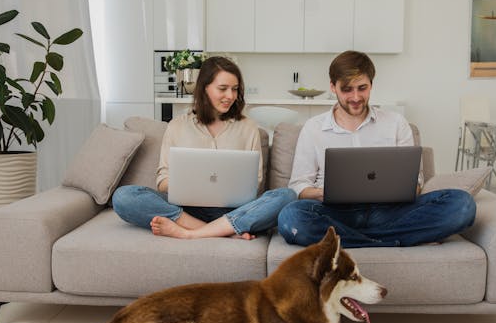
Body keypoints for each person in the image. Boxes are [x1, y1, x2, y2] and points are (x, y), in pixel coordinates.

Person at [278, 50, 476, 248]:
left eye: (362, 88)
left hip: (390, 212)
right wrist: (323, 193)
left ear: (371, 85)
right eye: (347, 89)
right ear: (333, 87)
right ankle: (391, 239)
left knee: (462, 204)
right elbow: (298, 185)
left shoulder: (396, 123)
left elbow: (416, 183)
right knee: (291, 217)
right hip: (336, 213)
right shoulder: (313, 127)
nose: (356, 97)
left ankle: (352, 240)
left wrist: (400, 190)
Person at [113, 56, 296, 240]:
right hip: (186, 210)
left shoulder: (248, 128)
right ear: (204, 88)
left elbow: (254, 185)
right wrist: (190, 184)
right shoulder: (177, 126)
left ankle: (189, 233)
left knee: (286, 196)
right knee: (123, 196)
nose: (231, 96)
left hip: (234, 210)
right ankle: (223, 231)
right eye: (223, 89)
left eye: (235, 89)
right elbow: (162, 181)